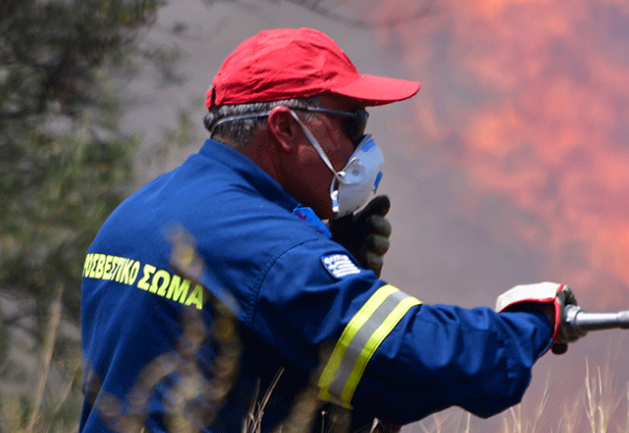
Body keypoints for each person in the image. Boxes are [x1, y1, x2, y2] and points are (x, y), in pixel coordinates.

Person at [79, 27, 579, 433]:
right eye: (352, 123)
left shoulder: (136, 212)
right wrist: (530, 324)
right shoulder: (271, 249)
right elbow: (411, 357)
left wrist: (330, 254)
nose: (363, 146)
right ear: (284, 127)